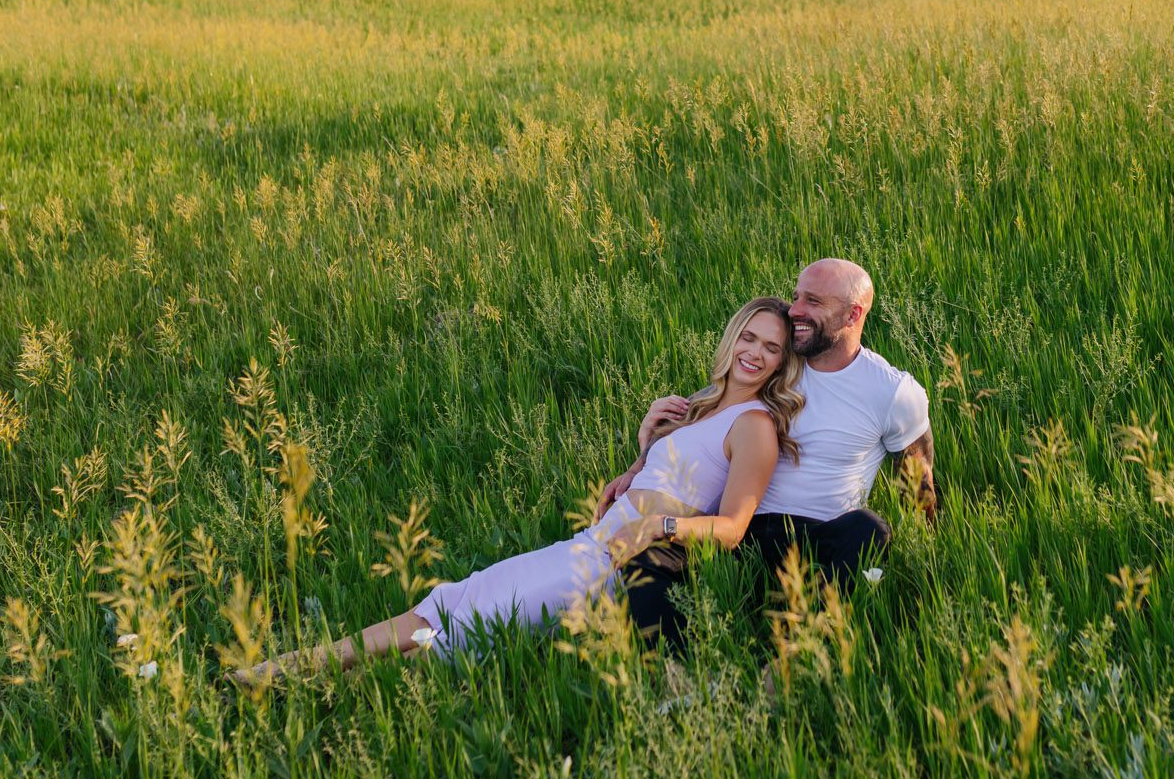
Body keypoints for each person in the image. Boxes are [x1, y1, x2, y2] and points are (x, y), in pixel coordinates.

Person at [233, 298, 804, 682]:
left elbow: (730, 529)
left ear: (782, 362)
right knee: (454, 602)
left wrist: (660, 526)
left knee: (471, 628)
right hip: (591, 543)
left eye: (771, 348)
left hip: (614, 562)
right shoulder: (702, 404)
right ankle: (290, 672)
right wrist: (642, 445)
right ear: (731, 339)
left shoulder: (755, 426)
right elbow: (656, 482)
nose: (754, 354)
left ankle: (293, 678)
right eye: (748, 338)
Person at [600, 258, 937, 651]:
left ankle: (789, 658)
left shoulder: (891, 391)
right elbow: (701, 423)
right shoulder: (777, 362)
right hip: (740, 531)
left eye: (812, 301)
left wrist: (930, 562)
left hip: (816, 541)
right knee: (655, 548)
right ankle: (673, 671)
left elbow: (920, 479)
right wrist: (639, 464)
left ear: (853, 314)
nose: (795, 310)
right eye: (796, 297)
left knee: (869, 529)